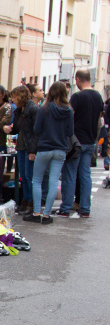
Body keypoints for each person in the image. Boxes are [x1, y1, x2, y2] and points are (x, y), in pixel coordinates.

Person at [56, 69, 104, 218]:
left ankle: (66, 207)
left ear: (77, 79)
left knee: (70, 174)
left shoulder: (77, 97)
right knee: (85, 175)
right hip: (90, 140)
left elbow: (68, 115)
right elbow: (99, 119)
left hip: (76, 141)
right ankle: (85, 208)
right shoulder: (98, 97)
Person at [24, 81, 73, 224]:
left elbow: (37, 130)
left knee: (37, 180)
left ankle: (36, 212)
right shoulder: (68, 111)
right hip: (60, 150)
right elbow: (70, 132)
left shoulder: (43, 109)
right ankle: (46, 215)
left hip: (45, 148)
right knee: (53, 181)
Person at [4, 85, 39, 215]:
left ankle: (31, 203)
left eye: (14, 97)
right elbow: (19, 128)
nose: (13, 100)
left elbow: (36, 132)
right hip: (22, 146)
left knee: (29, 176)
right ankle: (25, 201)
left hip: (28, 147)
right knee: (23, 176)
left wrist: (33, 151)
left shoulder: (33, 110)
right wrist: (10, 130)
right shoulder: (20, 110)